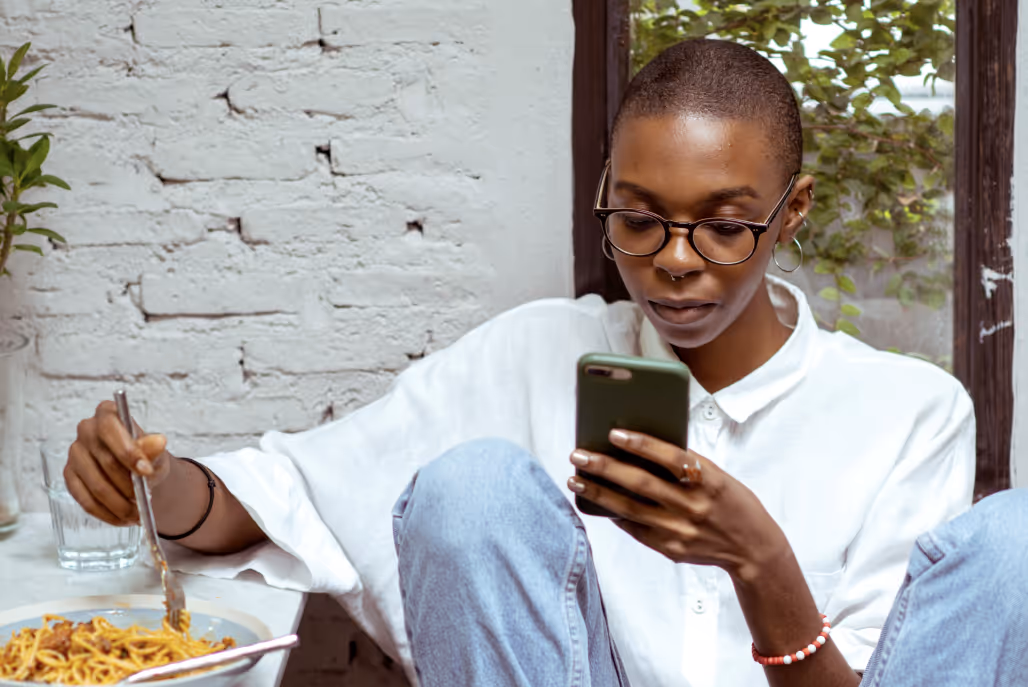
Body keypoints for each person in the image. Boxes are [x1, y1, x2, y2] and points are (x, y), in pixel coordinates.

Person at [63, 40, 981, 686]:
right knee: (470, 486)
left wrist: (758, 561)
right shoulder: (536, 351)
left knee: (1012, 544)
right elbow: (304, 486)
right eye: (636, 216)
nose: (673, 257)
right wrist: (153, 479)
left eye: (725, 224)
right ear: (605, 200)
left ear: (792, 211)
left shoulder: (907, 412)